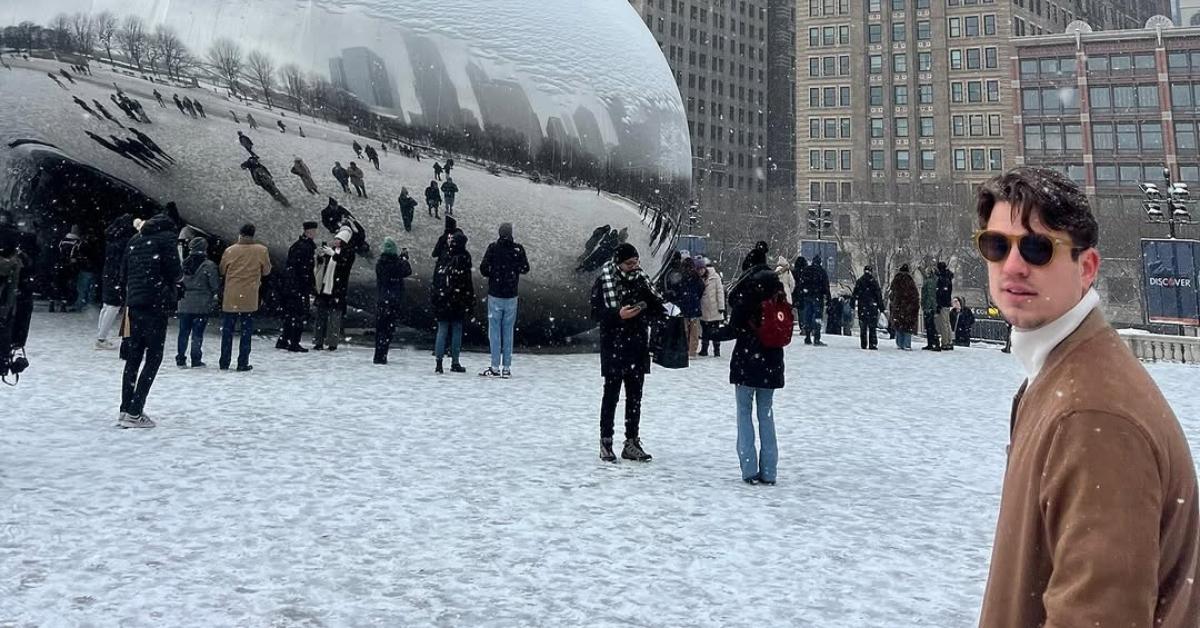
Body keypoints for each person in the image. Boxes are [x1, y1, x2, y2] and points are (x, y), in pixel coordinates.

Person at [975, 167, 1200, 627]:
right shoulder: (1065, 376)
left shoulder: (1091, 415)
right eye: (997, 246)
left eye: (1037, 248)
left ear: (1088, 268)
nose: (1013, 265)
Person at [590, 243, 663, 462]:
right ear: (618, 262)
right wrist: (617, 314)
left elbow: (656, 305)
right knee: (610, 396)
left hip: (637, 345)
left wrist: (646, 308)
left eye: (636, 262)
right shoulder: (604, 281)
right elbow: (595, 313)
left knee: (635, 398)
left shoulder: (642, 280)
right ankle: (606, 441)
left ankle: (632, 441)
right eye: (629, 263)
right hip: (614, 345)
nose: (634, 267)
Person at [725, 245, 784, 484]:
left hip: (747, 358)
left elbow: (735, 325)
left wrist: (713, 333)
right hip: (772, 357)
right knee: (766, 415)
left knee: (743, 413)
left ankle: (748, 468)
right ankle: (769, 470)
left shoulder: (747, 287)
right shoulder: (776, 287)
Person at [117, 213, 182, 428]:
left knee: (133, 358)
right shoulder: (166, 240)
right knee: (154, 357)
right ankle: (136, 411)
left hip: (134, 304)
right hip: (155, 304)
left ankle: (125, 408)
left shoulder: (134, 240)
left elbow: (123, 273)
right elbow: (176, 273)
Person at [478, 223, 530, 378]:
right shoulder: (518, 249)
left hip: (495, 294)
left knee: (494, 332)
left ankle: (495, 366)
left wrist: (494, 274)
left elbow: (483, 268)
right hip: (511, 295)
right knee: (508, 332)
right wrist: (513, 271)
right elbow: (525, 268)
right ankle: (506, 367)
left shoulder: (493, 248)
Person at [217, 224, 271, 371]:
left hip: (231, 295)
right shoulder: (261, 250)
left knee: (228, 330)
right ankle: (242, 362)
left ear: (240, 234)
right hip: (250, 295)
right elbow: (266, 271)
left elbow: (222, 269)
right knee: (246, 332)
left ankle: (224, 361)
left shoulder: (230, 250)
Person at [431, 230, 474, 374]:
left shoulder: (444, 255)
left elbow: (436, 276)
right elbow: (467, 281)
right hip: (458, 299)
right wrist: (469, 299)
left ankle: (438, 362)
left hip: (443, 298)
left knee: (442, 329)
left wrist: (436, 294)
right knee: (457, 329)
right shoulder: (464, 257)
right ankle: (455, 361)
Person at [175, 237, 219, 367]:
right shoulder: (209, 265)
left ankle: (180, 358)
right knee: (197, 333)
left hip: (184, 303)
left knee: (183, 332)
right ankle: (196, 358)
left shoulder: (183, 264)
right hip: (201, 304)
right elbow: (214, 285)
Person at [276, 221, 318, 353]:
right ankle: (294, 342)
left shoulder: (297, 246)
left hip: (292, 285)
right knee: (298, 314)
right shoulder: (305, 247)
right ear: (308, 232)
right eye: (313, 231)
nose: (315, 233)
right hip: (298, 286)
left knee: (291, 314)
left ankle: (284, 339)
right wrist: (309, 284)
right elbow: (304, 269)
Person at [313, 227, 356, 351]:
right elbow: (323, 265)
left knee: (334, 317)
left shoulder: (348, 253)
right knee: (321, 315)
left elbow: (344, 265)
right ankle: (318, 341)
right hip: (326, 288)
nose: (335, 241)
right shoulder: (332, 251)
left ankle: (332, 342)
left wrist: (334, 255)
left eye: (338, 239)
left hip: (337, 289)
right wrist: (321, 257)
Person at [96, 215, 136, 350]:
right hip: (115, 276)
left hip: (108, 273)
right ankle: (101, 338)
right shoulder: (125, 241)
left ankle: (101, 336)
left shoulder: (111, 238)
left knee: (107, 305)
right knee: (113, 306)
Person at [373, 238, 412, 365]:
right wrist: (404, 259)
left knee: (380, 329)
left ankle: (378, 354)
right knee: (388, 330)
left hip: (382, 300)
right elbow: (407, 270)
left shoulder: (380, 263)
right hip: (393, 301)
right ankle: (383, 354)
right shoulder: (397, 264)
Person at [799, 256, 831, 346]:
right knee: (817, 317)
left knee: (807, 316)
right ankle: (816, 338)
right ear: (820, 262)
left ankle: (807, 337)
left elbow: (801, 284)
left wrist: (801, 295)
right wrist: (828, 299)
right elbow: (826, 286)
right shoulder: (822, 272)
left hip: (807, 296)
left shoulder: (806, 270)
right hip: (818, 297)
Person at [677, 256, 706, 357]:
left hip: (683, 307)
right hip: (694, 306)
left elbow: (677, 291)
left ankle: (684, 349)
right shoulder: (696, 277)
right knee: (694, 331)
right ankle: (692, 350)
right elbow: (701, 289)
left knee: (684, 330)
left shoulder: (680, 277)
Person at [887, 264, 919, 351]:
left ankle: (899, 343)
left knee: (899, 325)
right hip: (908, 308)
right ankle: (906, 344)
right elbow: (915, 296)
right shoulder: (910, 282)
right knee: (907, 326)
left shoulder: (896, 281)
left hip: (898, 307)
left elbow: (891, 295)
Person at [698, 258, 726, 357]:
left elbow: (720, 292)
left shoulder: (715, 277)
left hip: (715, 308)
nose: (700, 271)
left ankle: (716, 350)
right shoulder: (699, 278)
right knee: (705, 330)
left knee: (714, 331)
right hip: (704, 308)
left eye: (702, 269)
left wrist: (721, 306)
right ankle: (704, 349)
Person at [851, 266, 883, 350]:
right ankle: (873, 344)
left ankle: (863, 343)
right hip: (872, 307)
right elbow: (878, 295)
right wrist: (881, 307)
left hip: (862, 306)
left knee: (863, 327)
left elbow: (854, 294)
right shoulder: (874, 282)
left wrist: (852, 304)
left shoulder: (860, 281)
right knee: (872, 327)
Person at [52, 228, 82, 312]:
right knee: (66, 286)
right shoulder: (77, 243)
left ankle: (52, 302)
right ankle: (63, 304)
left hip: (58, 265)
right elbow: (76, 256)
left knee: (57, 284)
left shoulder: (62, 241)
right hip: (68, 267)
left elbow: (56, 252)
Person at [934, 261, 955, 350]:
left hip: (943, 303)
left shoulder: (942, 278)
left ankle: (945, 342)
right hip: (947, 302)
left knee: (943, 324)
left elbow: (940, 293)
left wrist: (939, 303)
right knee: (947, 323)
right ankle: (949, 341)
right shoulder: (948, 278)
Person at [920, 263, 940, 351]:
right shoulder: (937, 281)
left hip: (928, 306)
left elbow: (925, 295)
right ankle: (935, 343)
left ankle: (931, 343)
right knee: (932, 326)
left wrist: (924, 305)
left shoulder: (928, 282)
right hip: (934, 306)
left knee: (929, 326)